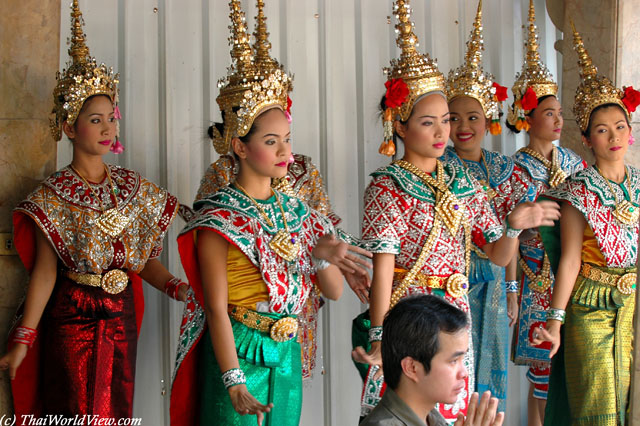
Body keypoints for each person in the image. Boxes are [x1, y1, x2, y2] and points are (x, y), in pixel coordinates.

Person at [352, 0, 560, 422]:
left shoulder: (461, 181)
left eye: (444, 120)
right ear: (400, 125)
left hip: (456, 313)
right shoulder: (388, 186)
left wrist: (514, 226)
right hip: (409, 315)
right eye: (428, 122)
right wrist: (379, 336)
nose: (443, 131)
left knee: (450, 411)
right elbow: (385, 268)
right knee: (401, 413)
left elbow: (499, 256)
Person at [169, 2, 369, 425]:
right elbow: (215, 309)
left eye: (287, 140)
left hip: (287, 350)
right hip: (239, 349)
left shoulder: (299, 211)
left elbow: (331, 292)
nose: (285, 152)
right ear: (240, 146)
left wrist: (323, 254)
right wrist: (233, 378)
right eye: (272, 141)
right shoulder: (217, 219)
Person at [0, 0, 185, 419]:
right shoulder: (53, 195)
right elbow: (46, 272)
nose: (107, 129)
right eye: (95, 119)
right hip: (73, 316)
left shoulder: (131, 188)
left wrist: (178, 288)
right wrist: (23, 339)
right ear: (69, 127)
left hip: (122, 315)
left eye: (111, 119)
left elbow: (144, 261)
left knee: (116, 408)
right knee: (77, 409)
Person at [533, 25, 640, 425]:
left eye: (619, 127)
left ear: (629, 133)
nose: (612, 135)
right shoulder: (578, 191)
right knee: (597, 413)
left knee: (632, 406)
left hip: (633, 304)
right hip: (590, 304)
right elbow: (570, 262)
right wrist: (555, 322)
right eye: (601, 129)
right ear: (586, 138)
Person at [441, 0, 535, 410]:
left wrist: (513, 289)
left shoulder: (504, 168)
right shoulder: (437, 167)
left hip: (495, 280)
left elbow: (510, 235)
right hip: (452, 280)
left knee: (490, 378)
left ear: (488, 119)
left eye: (473, 117)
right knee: (452, 374)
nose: (464, 127)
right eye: (454, 117)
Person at [506, 2, 586, 424]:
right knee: (542, 368)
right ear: (528, 117)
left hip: (569, 272)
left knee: (570, 366)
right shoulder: (514, 168)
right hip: (535, 273)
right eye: (548, 113)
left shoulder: (574, 163)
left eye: (559, 113)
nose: (556, 121)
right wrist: (512, 288)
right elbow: (510, 232)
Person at [361, 295, 504, 426]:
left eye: (463, 359)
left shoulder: (432, 419)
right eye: (453, 361)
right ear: (412, 368)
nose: (464, 373)